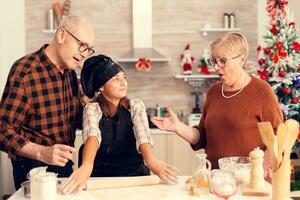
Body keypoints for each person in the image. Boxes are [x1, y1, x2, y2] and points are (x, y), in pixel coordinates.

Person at [151, 32, 284, 170]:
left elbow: (279, 133)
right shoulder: (213, 92)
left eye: (222, 61)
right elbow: (202, 136)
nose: (216, 67)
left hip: (250, 180)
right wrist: (178, 127)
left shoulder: (261, 91)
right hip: (216, 178)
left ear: (241, 60)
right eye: (213, 61)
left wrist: (266, 160)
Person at [0, 16, 95, 189]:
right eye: (82, 45)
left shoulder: (70, 74)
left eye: (89, 49)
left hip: (65, 166)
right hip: (34, 170)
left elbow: (75, 118)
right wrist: (41, 152)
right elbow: (3, 129)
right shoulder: (26, 72)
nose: (84, 54)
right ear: (61, 36)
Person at [62, 55, 178, 194]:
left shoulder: (135, 106)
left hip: (135, 176)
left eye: (124, 77)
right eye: (116, 79)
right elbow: (92, 135)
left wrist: (151, 160)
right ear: (101, 87)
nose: (123, 83)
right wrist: (87, 166)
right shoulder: (92, 109)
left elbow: (142, 136)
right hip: (100, 179)